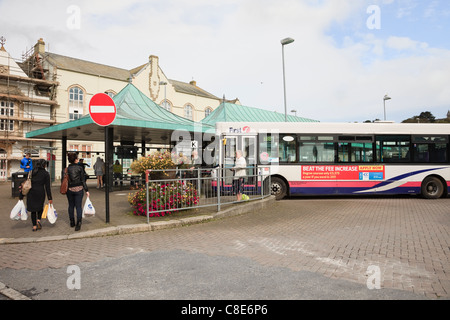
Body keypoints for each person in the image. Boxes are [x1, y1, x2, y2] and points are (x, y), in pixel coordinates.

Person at [24, 159, 52, 232]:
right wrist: (50, 198)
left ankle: (34, 226)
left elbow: (26, 181)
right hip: (40, 192)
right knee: (40, 207)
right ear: (44, 165)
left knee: (33, 210)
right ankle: (38, 220)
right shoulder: (46, 174)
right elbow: (47, 187)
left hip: (31, 192)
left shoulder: (31, 172)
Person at [66, 152, 90, 231]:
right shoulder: (80, 168)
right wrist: (86, 190)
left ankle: (71, 221)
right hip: (79, 189)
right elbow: (83, 180)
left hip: (69, 189)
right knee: (78, 206)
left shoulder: (67, 169)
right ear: (76, 160)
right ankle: (78, 223)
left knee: (71, 206)